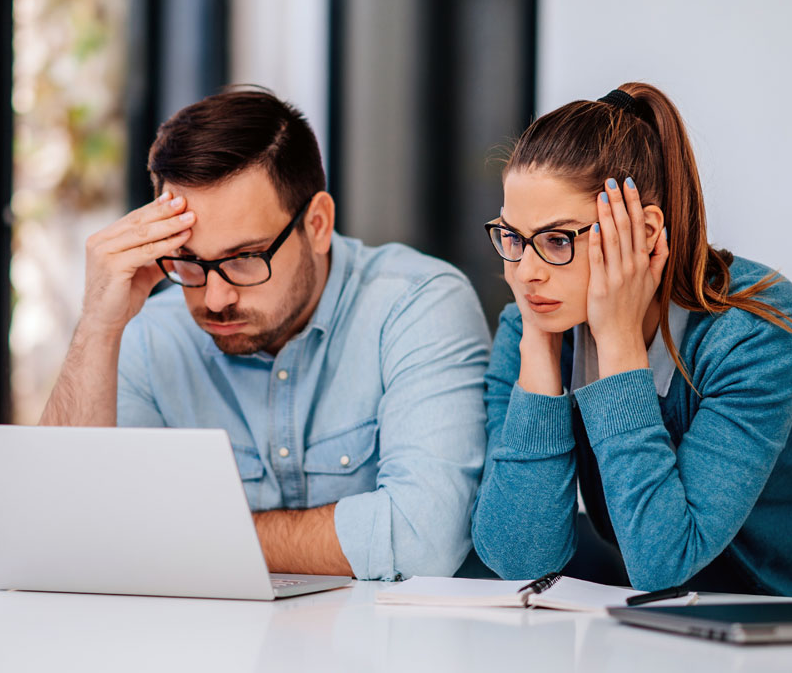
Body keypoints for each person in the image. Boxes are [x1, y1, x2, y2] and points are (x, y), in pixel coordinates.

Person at [41, 87, 490, 581]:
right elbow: (65, 534)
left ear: (317, 224)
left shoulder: (416, 304)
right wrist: (99, 326)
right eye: (188, 263)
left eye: (244, 258)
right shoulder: (151, 333)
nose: (214, 299)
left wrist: (182, 538)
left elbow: (421, 541)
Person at [471, 82, 792, 597]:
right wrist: (540, 351)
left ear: (646, 232)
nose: (525, 273)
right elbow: (518, 558)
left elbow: (664, 563)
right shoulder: (536, 324)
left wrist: (617, 346)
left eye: (555, 240)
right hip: (668, 620)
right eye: (512, 238)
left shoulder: (757, 332)